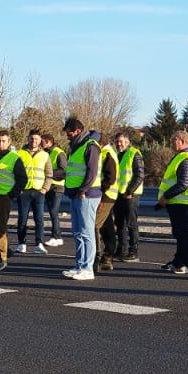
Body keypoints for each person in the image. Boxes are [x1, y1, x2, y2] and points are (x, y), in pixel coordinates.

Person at [61, 116, 102, 279]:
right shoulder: (76, 146)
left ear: (78, 131)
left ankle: (87, 268)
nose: (67, 136)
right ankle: (79, 265)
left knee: (86, 232)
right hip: (76, 194)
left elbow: (92, 172)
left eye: (69, 133)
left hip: (87, 195)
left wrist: (82, 190)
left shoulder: (90, 146)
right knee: (78, 232)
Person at [157, 129, 188, 273]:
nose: (171, 143)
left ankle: (186, 264)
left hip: (181, 202)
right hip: (175, 202)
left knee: (184, 234)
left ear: (181, 140)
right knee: (179, 234)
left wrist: (166, 196)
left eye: (173, 140)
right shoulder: (180, 156)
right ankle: (178, 261)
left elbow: (183, 183)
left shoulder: (185, 158)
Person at [0, 130, 25, 272]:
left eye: (3, 141)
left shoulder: (14, 158)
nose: (0, 143)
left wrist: (11, 195)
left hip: (3, 197)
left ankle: (2, 258)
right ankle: (2, 251)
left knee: (0, 227)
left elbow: (22, 179)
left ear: (9, 143)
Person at [111, 130, 144, 262]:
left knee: (131, 224)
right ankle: (122, 250)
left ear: (128, 142)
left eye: (121, 141)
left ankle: (133, 251)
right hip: (119, 195)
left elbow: (139, 175)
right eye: (117, 142)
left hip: (131, 195)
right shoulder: (118, 155)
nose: (119, 144)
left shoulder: (134, 154)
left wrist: (130, 191)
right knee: (119, 224)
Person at [14, 130, 49, 253]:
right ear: (28, 139)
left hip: (39, 191)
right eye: (31, 138)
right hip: (24, 191)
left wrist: (45, 187)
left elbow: (49, 173)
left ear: (40, 140)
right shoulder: (20, 153)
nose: (34, 141)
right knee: (22, 218)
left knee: (39, 219)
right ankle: (21, 243)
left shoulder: (45, 155)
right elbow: (15, 172)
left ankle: (39, 243)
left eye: (36, 139)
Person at [94, 135, 121, 274]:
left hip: (106, 195)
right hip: (109, 195)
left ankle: (96, 257)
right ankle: (108, 256)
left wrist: (100, 194)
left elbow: (110, 177)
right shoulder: (107, 152)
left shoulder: (106, 153)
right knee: (107, 226)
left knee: (94, 226)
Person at [41, 132, 67, 248]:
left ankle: (56, 237)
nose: (40, 144)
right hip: (49, 187)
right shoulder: (46, 153)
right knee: (52, 212)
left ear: (48, 142)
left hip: (57, 187)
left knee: (53, 212)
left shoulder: (59, 153)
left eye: (42, 142)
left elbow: (63, 171)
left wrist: (49, 174)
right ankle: (57, 236)